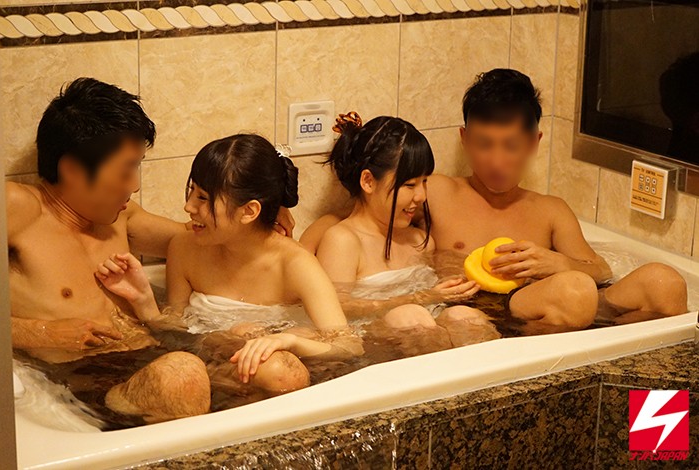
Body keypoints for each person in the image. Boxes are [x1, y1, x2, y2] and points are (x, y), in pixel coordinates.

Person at [303, 69, 688, 329]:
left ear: (534, 142)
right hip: (474, 315)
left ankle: (651, 415)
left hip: (553, 308)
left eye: (511, 146)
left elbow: (600, 269)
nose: (497, 160)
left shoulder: (550, 210)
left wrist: (554, 262)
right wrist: (293, 248)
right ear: (464, 139)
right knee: (575, 292)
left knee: (665, 283)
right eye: (484, 144)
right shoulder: (437, 192)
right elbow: (359, 218)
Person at [7, 78, 294, 423]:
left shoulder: (121, 216)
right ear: (72, 170)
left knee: (282, 371)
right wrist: (42, 333)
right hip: (82, 380)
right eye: (126, 169)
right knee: (181, 376)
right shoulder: (18, 208)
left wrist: (260, 215)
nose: (135, 184)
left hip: (154, 357)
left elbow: (203, 236)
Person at [96, 134, 363, 392]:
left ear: (249, 211)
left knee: (276, 371)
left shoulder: (295, 265)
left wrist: (288, 341)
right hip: (214, 370)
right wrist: (145, 303)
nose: (189, 207)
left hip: (283, 380)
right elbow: (175, 334)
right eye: (191, 192)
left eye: (203, 198)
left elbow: (350, 346)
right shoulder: (185, 248)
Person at [313, 113, 500, 351]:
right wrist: (420, 298)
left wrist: (459, 284)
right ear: (368, 181)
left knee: (465, 317)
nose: (421, 196)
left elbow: (436, 296)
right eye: (409, 185)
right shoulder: (343, 240)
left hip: (426, 328)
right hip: (368, 344)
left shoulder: (419, 240)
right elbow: (335, 310)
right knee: (411, 319)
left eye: (424, 182)